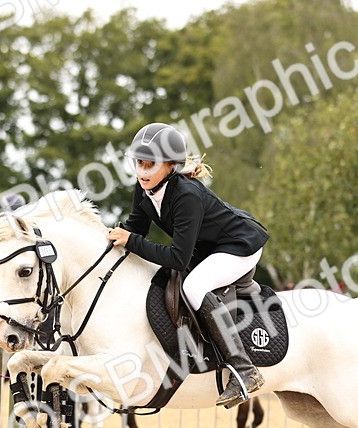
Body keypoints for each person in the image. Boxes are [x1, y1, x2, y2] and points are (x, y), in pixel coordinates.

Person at [107, 123, 270, 409]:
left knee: (194, 286)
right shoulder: (143, 188)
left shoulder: (186, 195)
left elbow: (178, 258)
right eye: (139, 163)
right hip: (208, 249)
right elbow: (135, 229)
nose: (142, 171)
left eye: (150, 164)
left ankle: (244, 370)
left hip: (238, 246)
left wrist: (130, 240)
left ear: (170, 165)